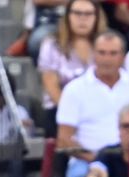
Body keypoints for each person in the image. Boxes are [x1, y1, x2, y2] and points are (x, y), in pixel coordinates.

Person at [55, 30, 129, 177]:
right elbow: (64, 139)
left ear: (123, 57)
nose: (107, 59)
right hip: (87, 160)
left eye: (113, 53)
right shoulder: (74, 89)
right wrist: (101, 160)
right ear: (93, 55)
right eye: (102, 53)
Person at [37, 0, 105, 139]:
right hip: (60, 111)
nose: (82, 18)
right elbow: (51, 87)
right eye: (77, 13)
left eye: (88, 14)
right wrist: (74, 113)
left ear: (97, 17)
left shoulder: (105, 46)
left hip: (99, 110)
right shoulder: (51, 45)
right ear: (68, 16)